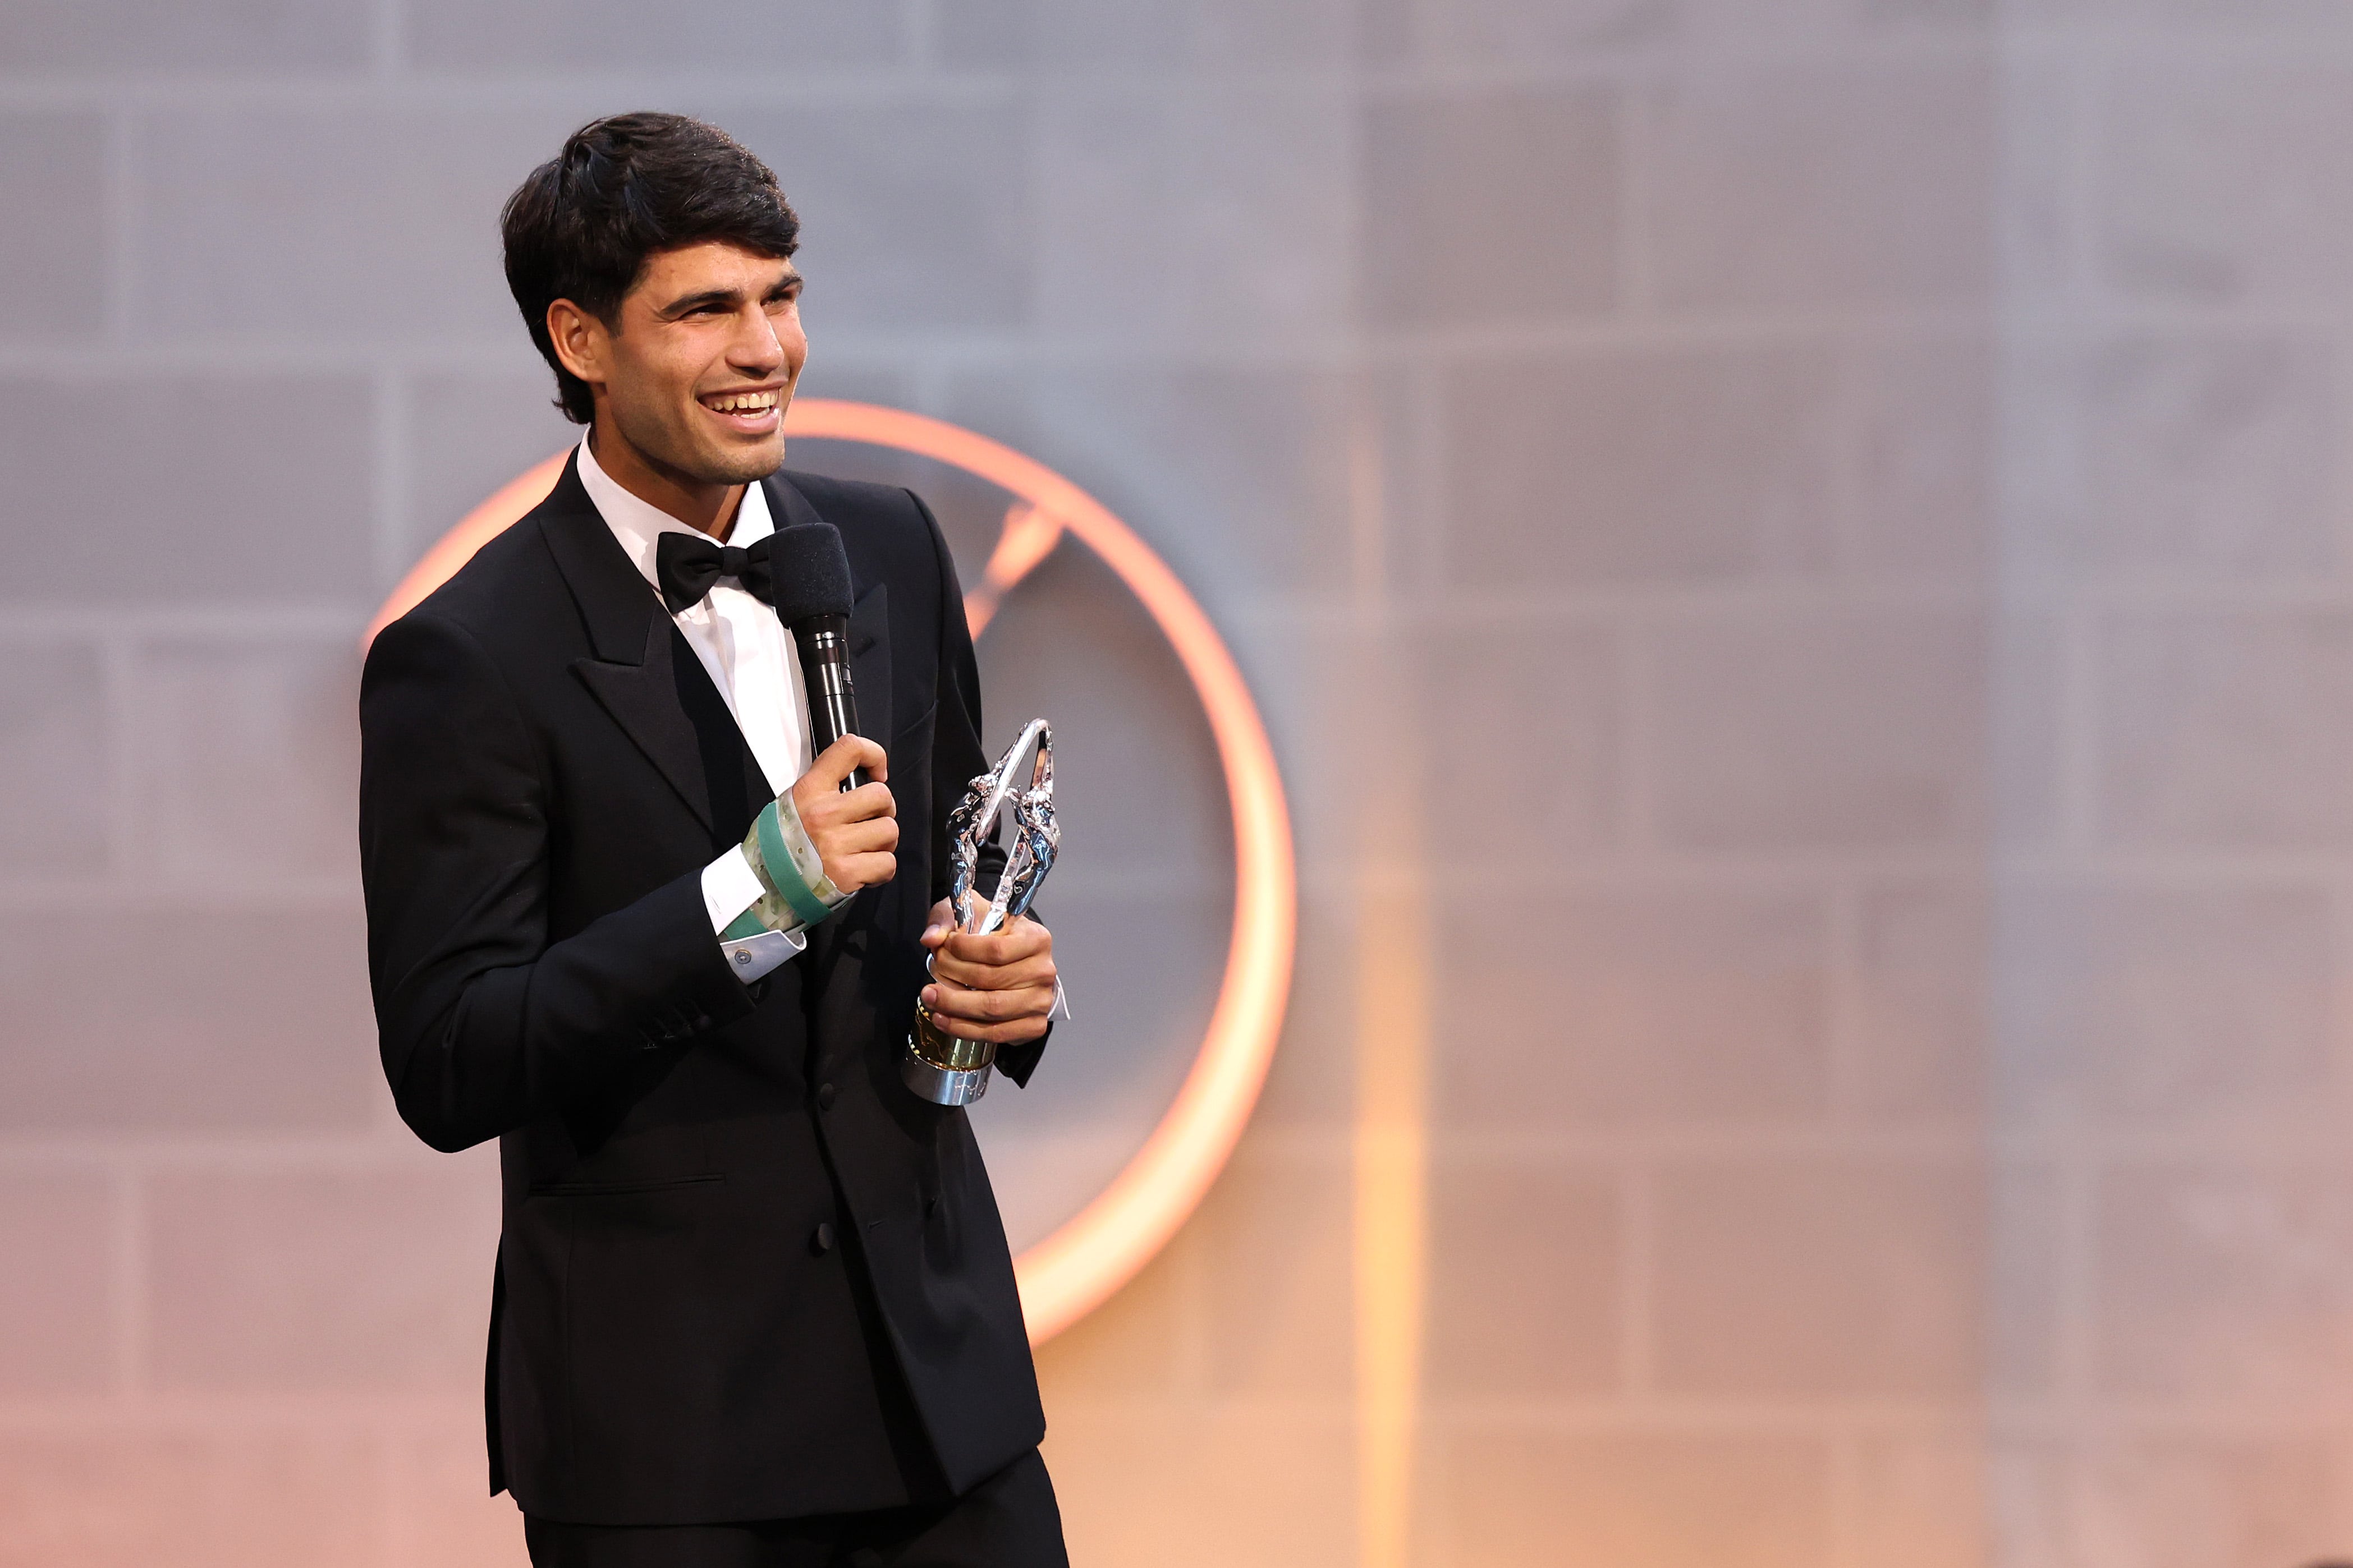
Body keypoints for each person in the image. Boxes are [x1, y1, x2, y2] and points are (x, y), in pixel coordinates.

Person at [357, 112, 1068, 1567]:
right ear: (580, 339)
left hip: (945, 1405)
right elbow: (451, 1054)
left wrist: (1012, 997)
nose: (765, 349)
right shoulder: (469, 652)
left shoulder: (891, 547)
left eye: (780, 295)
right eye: (704, 309)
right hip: (667, 1444)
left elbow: (946, 889)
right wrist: (756, 891)